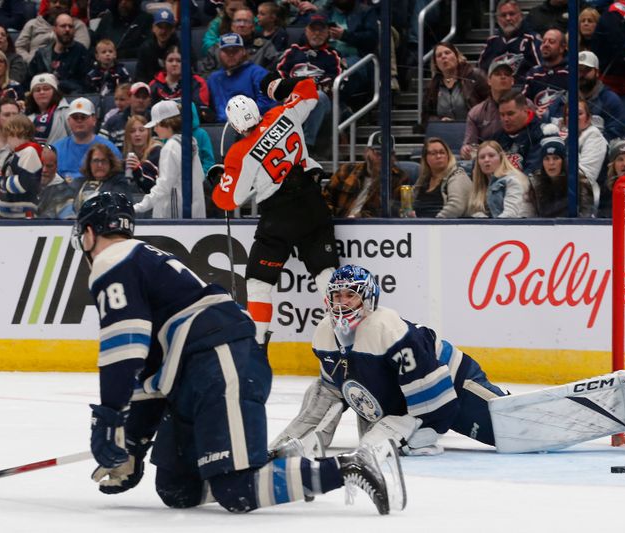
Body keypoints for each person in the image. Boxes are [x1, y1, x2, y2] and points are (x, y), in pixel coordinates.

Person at [72, 192, 405, 515]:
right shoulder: (140, 259)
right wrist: (133, 445)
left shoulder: (111, 259)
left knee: (237, 489)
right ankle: (271, 462)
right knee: (178, 488)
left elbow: (123, 348)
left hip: (219, 360)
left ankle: (351, 465)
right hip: (198, 370)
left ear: (88, 234)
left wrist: (109, 418)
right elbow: (148, 367)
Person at [269, 264, 625, 458]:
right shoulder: (323, 335)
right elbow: (332, 392)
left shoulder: (385, 328)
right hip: (404, 399)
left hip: (452, 382)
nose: (341, 305)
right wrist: (296, 442)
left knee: (514, 431)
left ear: (367, 299)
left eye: (350, 296)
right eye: (336, 297)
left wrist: (423, 430)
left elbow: (435, 392)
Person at [210, 75, 339, 346]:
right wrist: (277, 85)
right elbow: (309, 90)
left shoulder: (239, 152)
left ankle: (256, 348)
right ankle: (345, 341)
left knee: (258, 282)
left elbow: (227, 200)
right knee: (326, 274)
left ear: (233, 125)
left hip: (278, 219)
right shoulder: (283, 113)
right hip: (312, 204)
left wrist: (219, 179)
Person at [275, 14, 344, 155]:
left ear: (327, 33)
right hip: (292, 97)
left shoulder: (333, 55)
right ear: (306, 31)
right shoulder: (292, 52)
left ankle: (306, 145)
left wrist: (308, 89)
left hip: (322, 101)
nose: (317, 34)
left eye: (321, 30)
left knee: (317, 96)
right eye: (313, 29)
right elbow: (278, 72)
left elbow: (338, 79)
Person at [133, 100, 206, 218]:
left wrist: (138, 207)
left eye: (156, 125)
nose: (155, 129)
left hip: (175, 217)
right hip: (196, 213)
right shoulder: (189, 142)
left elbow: (163, 187)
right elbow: (201, 176)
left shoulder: (170, 147)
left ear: (166, 122)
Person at [323, 132, 409, 218]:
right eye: (377, 153)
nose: (382, 158)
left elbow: (396, 212)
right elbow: (324, 200)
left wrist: (360, 216)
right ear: (366, 152)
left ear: (393, 156)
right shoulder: (346, 171)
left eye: (387, 154)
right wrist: (336, 216)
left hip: (372, 228)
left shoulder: (399, 179)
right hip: (339, 224)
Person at [461, 56, 522, 161]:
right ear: (489, 80)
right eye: (497, 74)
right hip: (489, 161)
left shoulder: (526, 106)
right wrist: (466, 150)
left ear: (512, 81)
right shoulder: (476, 112)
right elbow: (470, 146)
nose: (503, 77)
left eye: (507, 75)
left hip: (519, 159)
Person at [207, 33, 275, 123]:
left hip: (253, 126)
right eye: (226, 51)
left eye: (235, 51)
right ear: (219, 53)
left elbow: (267, 104)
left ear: (243, 51)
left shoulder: (258, 73)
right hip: (220, 128)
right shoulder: (214, 78)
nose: (231, 55)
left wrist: (241, 119)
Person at [420, 42, 489, 132]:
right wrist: (439, 122)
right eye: (439, 55)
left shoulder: (475, 76)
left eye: (447, 53)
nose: (444, 57)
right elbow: (425, 117)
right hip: (445, 133)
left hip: (476, 132)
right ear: (436, 63)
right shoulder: (432, 86)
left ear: (457, 56)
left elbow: (490, 104)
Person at [52, 97, 122, 182]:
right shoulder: (56, 149)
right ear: (69, 120)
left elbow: (117, 180)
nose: (79, 121)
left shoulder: (109, 148)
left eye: (83, 117)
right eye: (75, 117)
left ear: (94, 119)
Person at [0, 114, 44, 219]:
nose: (7, 140)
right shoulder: (18, 152)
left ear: (17, 133)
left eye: (9, 135)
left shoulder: (29, 152)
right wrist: (2, 194)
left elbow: (23, 184)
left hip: (22, 213)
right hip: (8, 211)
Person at [528, 135, 594, 218]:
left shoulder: (580, 183)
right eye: (547, 159)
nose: (551, 163)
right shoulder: (535, 183)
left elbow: (586, 218)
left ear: (563, 161)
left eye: (555, 158)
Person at [467, 140, 536, 218]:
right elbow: (475, 210)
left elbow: (510, 214)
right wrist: (481, 218)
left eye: (491, 155)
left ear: (501, 158)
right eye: (482, 157)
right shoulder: (480, 184)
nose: (486, 160)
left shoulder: (513, 180)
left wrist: (489, 226)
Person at [28, 13, 91, 95]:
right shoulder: (41, 54)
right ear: (54, 29)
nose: (67, 29)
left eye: (70, 26)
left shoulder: (81, 52)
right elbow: (30, 80)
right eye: (63, 26)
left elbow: (86, 84)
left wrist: (59, 84)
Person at [477, 0, 541, 81]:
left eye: (512, 14)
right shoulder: (492, 42)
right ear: (497, 19)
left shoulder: (531, 40)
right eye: (503, 15)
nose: (508, 18)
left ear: (520, 16)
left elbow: (541, 71)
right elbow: (480, 72)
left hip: (521, 90)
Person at [410, 137, 472, 218]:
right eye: (433, 153)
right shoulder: (424, 178)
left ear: (448, 156)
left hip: (445, 226)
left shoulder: (458, 176)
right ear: (426, 158)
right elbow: (411, 202)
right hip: (418, 225)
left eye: (442, 152)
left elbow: (456, 207)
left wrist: (435, 223)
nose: (439, 156)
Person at [150, 46, 212, 123]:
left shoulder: (197, 82)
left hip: (189, 125)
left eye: (179, 61)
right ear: (164, 63)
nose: (174, 64)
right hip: (162, 126)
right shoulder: (154, 85)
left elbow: (201, 109)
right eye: (170, 60)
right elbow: (151, 111)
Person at [15, 0, 90, 64]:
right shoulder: (33, 24)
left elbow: (81, 49)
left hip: (66, 67)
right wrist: (31, 61)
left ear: (69, 7)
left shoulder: (77, 25)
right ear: (48, 4)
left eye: (62, 2)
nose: (57, 5)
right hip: (34, 67)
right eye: (54, 1)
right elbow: (20, 47)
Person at [491, 90, 544, 176]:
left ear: (525, 110)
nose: (505, 119)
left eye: (510, 114)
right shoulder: (496, 137)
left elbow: (533, 171)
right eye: (502, 115)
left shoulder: (540, 133)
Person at [74, 143, 140, 211]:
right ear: (89, 163)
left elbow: (121, 204)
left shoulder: (119, 182)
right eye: (96, 161)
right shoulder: (79, 182)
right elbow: (65, 200)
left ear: (110, 163)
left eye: (104, 161)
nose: (100, 165)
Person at [522, 28, 568, 114]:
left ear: (562, 48)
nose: (546, 45)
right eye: (544, 41)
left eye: (551, 41)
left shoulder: (570, 72)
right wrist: (533, 111)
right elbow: (523, 101)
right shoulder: (533, 73)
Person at [100, 81, 152, 151]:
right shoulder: (113, 121)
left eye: (144, 97)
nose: (141, 100)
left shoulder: (156, 122)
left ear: (149, 100)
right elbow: (99, 146)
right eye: (137, 96)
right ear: (130, 98)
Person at [134, 7, 179, 84]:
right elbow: (140, 76)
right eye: (160, 26)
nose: (163, 31)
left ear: (172, 29)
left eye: (167, 27)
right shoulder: (145, 48)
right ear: (153, 28)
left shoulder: (181, 48)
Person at [25, 73, 70, 145]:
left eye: (46, 89)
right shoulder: (26, 116)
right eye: (37, 90)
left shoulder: (66, 111)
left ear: (55, 91)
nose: (42, 92)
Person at [37, 144, 76, 219]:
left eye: (49, 166)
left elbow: (68, 219)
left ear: (56, 166)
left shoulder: (65, 192)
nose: (44, 170)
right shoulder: (21, 187)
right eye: (40, 165)